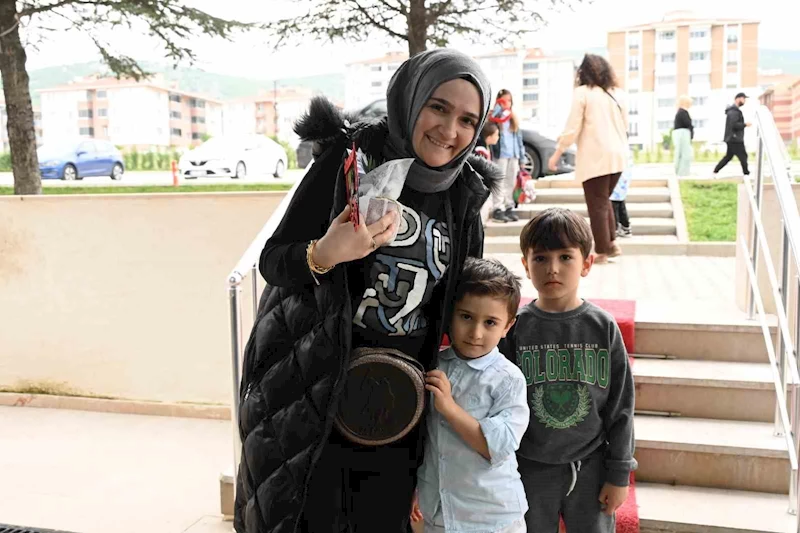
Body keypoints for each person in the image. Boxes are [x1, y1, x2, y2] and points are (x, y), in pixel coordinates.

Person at [234, 49, 501, 533]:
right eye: (438, 107)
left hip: (401, 405)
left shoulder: (464, 193)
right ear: (411, 98)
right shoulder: (351, 157)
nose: (450, 130)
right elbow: (274, 261)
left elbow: (462, 300)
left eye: (467, 119)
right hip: (315, 393)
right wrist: (327, 252)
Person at [499, 207, 637, 533]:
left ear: (586, 264)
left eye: (565, 257)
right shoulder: (515, 327)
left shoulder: (602, 327)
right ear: (525, 265)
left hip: (591, 468)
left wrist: (619, 474)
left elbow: (621, 407)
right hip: (528, 470)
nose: (553, 268)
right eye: (541, 258)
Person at [410, 257, 530, 533]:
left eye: (490, 322)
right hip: (438, 511)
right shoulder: (434, 365)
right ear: (450, 313)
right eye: (466, 317)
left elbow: (494, 448)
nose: (476, 333)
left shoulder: (508, 380)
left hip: (492, 517)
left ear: (507, 326)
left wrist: (449, 408)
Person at [547, 54, 628, 264]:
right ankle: (611, 243)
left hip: (596, 155)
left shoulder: (583, 93)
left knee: (597, 204)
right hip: (618, 155)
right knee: (603, 200)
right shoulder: (617, 94)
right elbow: (625, 126)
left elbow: (573, 126)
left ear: (584, 72)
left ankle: (601, 251)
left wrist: (557, 153)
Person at [488, 89, 525, 224]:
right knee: (499, 181)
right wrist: (499, 108)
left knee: (510, 181)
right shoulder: (496, 117)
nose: (507, 103)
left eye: (509, 100)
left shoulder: (513, 119)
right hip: (501, 154)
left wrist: (522, 157)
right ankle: (498, 207)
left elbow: (519, 139)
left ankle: (509, 205)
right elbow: (490, 124)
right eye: (504, 100)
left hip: (513, 154)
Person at [713, 92, 751, 177]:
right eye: (743, 99)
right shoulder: (734, 112)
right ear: (738, 99)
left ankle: (715, 171)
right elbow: (734, 125)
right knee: (743, 156)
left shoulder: (734, 111)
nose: (744, 101)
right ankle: (746, 174)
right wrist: (745, 124)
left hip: (732, 138)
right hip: (735, 138)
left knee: (729, 156)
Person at [673, 95, 694, 177]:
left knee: (679, 153)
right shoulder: (683, 112)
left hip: (679, 134)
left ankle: (679, 171)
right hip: (683, 134)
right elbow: (688, 124)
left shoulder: (679, 112)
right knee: (685, 154)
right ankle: (683, 172)